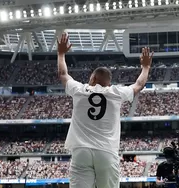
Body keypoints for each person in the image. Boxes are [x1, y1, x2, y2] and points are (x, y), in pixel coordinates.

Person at [57, 33, 153, 188]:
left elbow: (63, 74)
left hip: (81, 150)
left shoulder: (79, 89)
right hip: (106, 151)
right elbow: (139, 84)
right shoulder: (116, 93)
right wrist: (146, 67)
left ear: (93, 79)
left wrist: (61, 54)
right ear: (108, 82)